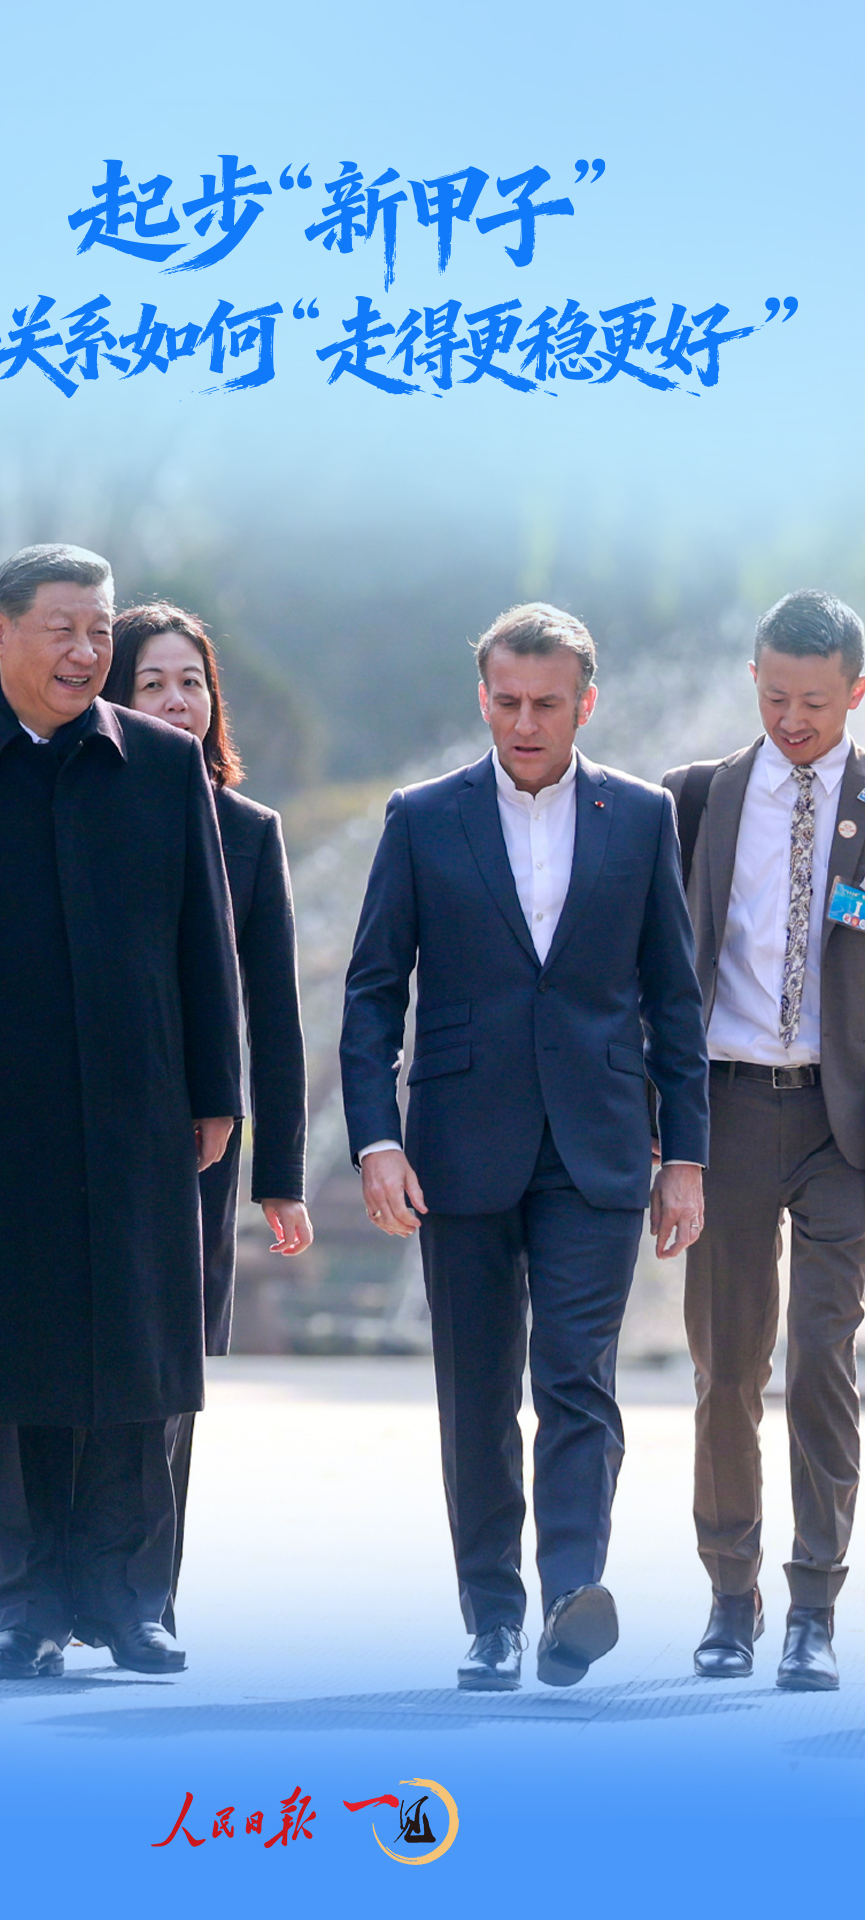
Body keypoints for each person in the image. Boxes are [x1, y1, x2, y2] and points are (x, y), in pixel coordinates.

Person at [0, 544, 242, 1682]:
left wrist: (218, 1092)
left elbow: (203, 943)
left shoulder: (160, 764)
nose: (86, 652)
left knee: (137, 1352)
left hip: (140, 1106)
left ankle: (130, 1600)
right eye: (62, 629)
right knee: (8, 1353)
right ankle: (20, 1608)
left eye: (100, 631)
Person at [341, 603, 709, 1691]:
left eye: (547, 704)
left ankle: (572, 1597)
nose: (524, 723)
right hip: (457, 1145)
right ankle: (492, 1616)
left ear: (586, 704)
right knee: (477, 1390)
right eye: (505, 702)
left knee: (577, 1378)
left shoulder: (640, 816)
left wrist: (685, 1156)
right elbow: (372, 993)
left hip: (598, 1143)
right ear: (484, 698)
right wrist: (375, 1139)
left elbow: (674, 1001)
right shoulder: (423, 817)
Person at [665, 589, 865, 1692]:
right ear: (754, 679)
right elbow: (654, 969)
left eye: (816, 702)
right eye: (776, 696)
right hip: (730, 1107)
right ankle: (729, 1596)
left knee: (825, 1359)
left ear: (857, 693)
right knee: (727, 1366)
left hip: (845, 1126)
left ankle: (814, 1607)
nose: (794, 720)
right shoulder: (696, 799)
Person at [104, 601, 312, 1628]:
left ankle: (147, 1595)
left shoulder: (248, 832)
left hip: (198, 1142)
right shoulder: (79, 815)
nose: (176, 700)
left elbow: (275, 1018)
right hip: (84, 1126)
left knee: (170, 1366)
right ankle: (68, 1581)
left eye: (192, 682)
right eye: (151, 683)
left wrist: (281, 1179)